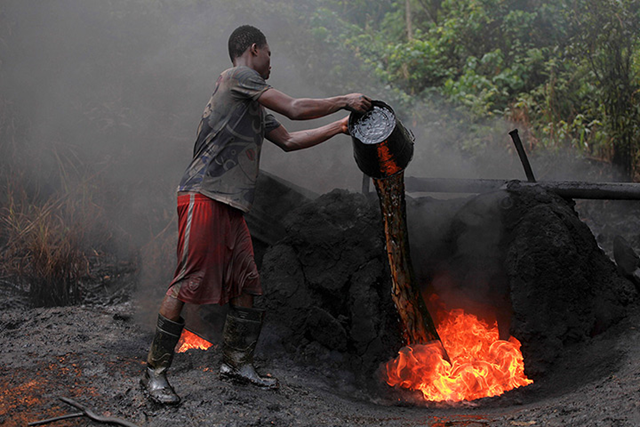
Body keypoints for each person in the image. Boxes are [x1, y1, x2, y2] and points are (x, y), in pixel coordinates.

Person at [141, 24, 372, 405]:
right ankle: (154, 374)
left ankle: (236, 362)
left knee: (248, 283)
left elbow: (290, 140)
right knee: (187, 281)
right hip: (204, 194)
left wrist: (341, 126)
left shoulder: (251, 102)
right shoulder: (238, 77)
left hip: (231, 204)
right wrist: (345, 98)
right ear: (253, 50)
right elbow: (296, 109)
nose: (270, 64)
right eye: (269, 55)